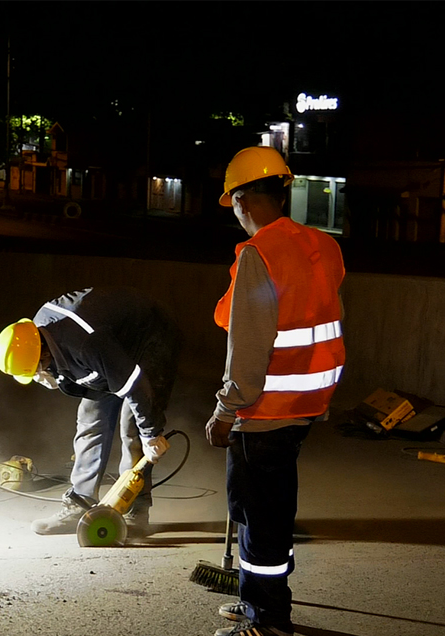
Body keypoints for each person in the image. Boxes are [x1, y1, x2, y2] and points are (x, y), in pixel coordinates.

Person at [205, 147, 345, 636]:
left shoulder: (258, 254)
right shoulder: (324, 246)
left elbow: (248, 348)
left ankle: (268, 621)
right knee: (273, 512)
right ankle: (259, 603)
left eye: (234, 201)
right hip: (309, 403)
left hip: (264, 411)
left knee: (257, 514)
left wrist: (225, 411)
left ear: (242, 198)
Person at [0, 287, 182, 536]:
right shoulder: (36, 334)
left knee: (133, 428)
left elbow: (135, 386)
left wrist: (151, 434)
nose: (38, 378)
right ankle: (79, 504)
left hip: (150, 338)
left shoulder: (85, 343)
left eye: (36, 372)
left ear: (43, 355)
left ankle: (135, 509)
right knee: (91, 419)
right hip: (109, 346)